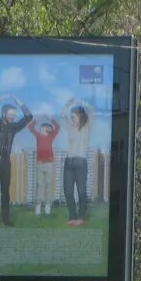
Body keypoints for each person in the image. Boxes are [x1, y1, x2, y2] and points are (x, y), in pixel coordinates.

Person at [0, 96, 32, 227]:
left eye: (14, 115)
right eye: (11, 114)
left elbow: (29, 117)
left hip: (5, 164)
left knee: (5, 193)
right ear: (4, 114)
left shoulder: (13, 127)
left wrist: (18, 102)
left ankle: (6, 218)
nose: (13, 117)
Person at [60, 96, 95, 226]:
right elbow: (63, 115)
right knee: (68, 191)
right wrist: (69, 103)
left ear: (80, 116)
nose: (72, 118)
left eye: (74, 116)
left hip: (81, 162)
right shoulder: (70, 127)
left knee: (81, 191)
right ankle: (72, 217)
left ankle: (81, 217)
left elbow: (91, 111)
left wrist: (82, 103)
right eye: (72, 116)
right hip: (68, 162)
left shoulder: (87, 127)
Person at [28, 116, 60, 217]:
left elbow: (58, 127)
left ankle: (47, 205)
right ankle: (38, 205)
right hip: (40, 164)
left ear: (47, 130)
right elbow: (30, 127)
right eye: (40, 128)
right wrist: (37, 119)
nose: (40, 130)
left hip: (49, 164)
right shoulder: (38, 136)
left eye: (42, 128)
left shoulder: (51, 136)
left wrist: (51, 118)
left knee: (49, 184)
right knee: (40, 185)